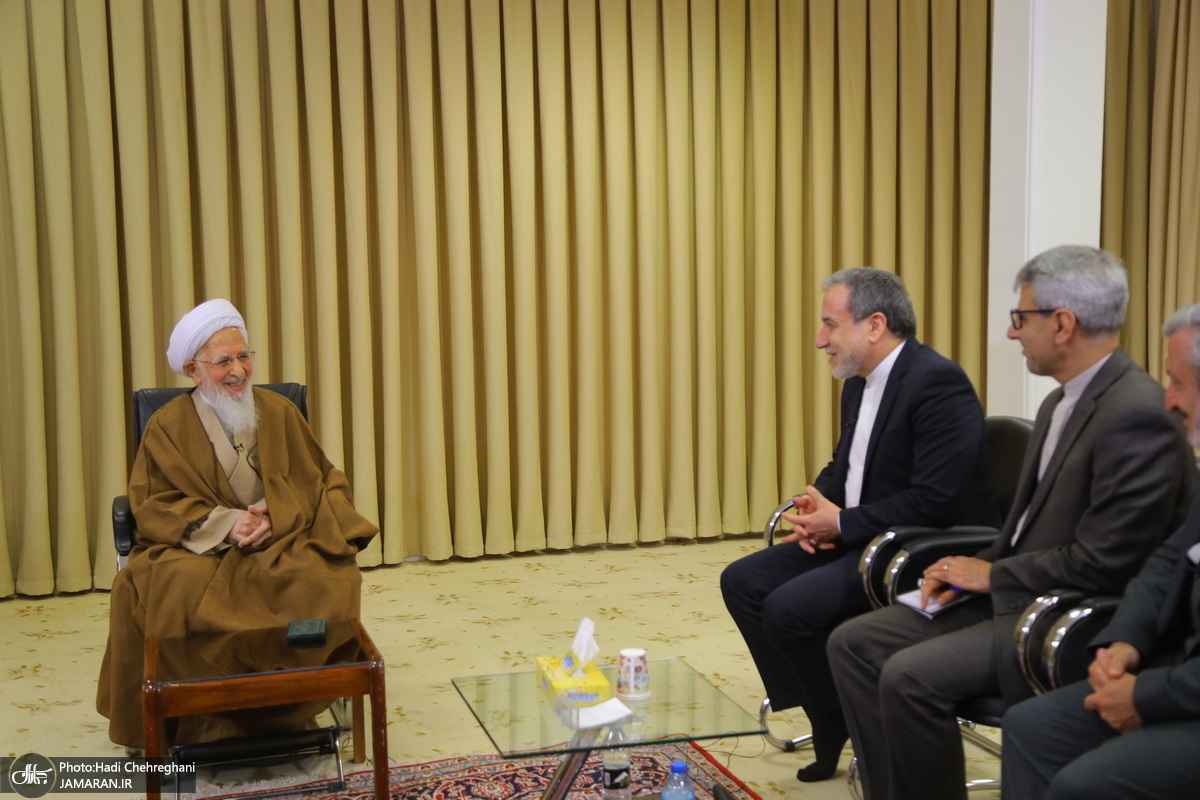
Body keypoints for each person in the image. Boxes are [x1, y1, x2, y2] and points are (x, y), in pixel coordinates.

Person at [826, 245, 1197, 800]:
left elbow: (1106, 562)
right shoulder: (1060, 402)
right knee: (852, 643)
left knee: (907, 675)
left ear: (1062, 324)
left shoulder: (1136, 414)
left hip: (1061, 612)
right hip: (1016, 590)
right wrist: (973, 567)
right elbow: (1026, 530)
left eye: (1020, 318)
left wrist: (991, 575)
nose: (1011, 332)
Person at [720, 267, 1000, 782]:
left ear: (875, 325)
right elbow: (845, 464)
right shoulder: (858, 382)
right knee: (742, 580)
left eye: (830, 325)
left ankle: (837, 715)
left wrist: (843, 522)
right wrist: (815, 505)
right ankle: (827, 709)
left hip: (915, 550)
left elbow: (935, 501)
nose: (819, 339)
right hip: (861, 535)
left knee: (788, 609)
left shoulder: (937, 383)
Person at [97, 299, 378, 749]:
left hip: (281, 539)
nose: (238, 371)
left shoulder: (279, 411)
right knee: (170, 587)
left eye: (243, 356)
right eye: (223, 361)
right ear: (194, 370)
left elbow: (321, 480)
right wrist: (227, 525)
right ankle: (200, 720)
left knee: (323, 578)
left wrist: (275, 513)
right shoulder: (167, 426)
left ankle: (294, 702)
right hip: (201, 546)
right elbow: (152, 502)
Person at [1000, 302, 1200, 800]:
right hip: (1175, 671)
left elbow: (1102, 557)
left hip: (1185, 690)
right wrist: (1125, 640)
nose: (1169, 400)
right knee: (1029, 726)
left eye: (1177, 382)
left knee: (1083, 785)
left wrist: (1145, 695)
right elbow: (1169, 561)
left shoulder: (1133, 411)